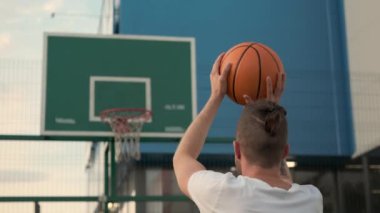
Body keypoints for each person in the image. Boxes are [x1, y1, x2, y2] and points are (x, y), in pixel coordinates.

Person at [173, 53, 323, 213]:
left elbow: (183, 157)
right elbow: (284, 186)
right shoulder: (311, 200)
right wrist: (269, 113)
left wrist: (216, 97)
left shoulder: (222, 193)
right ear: (285, 152)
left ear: (237, 149)